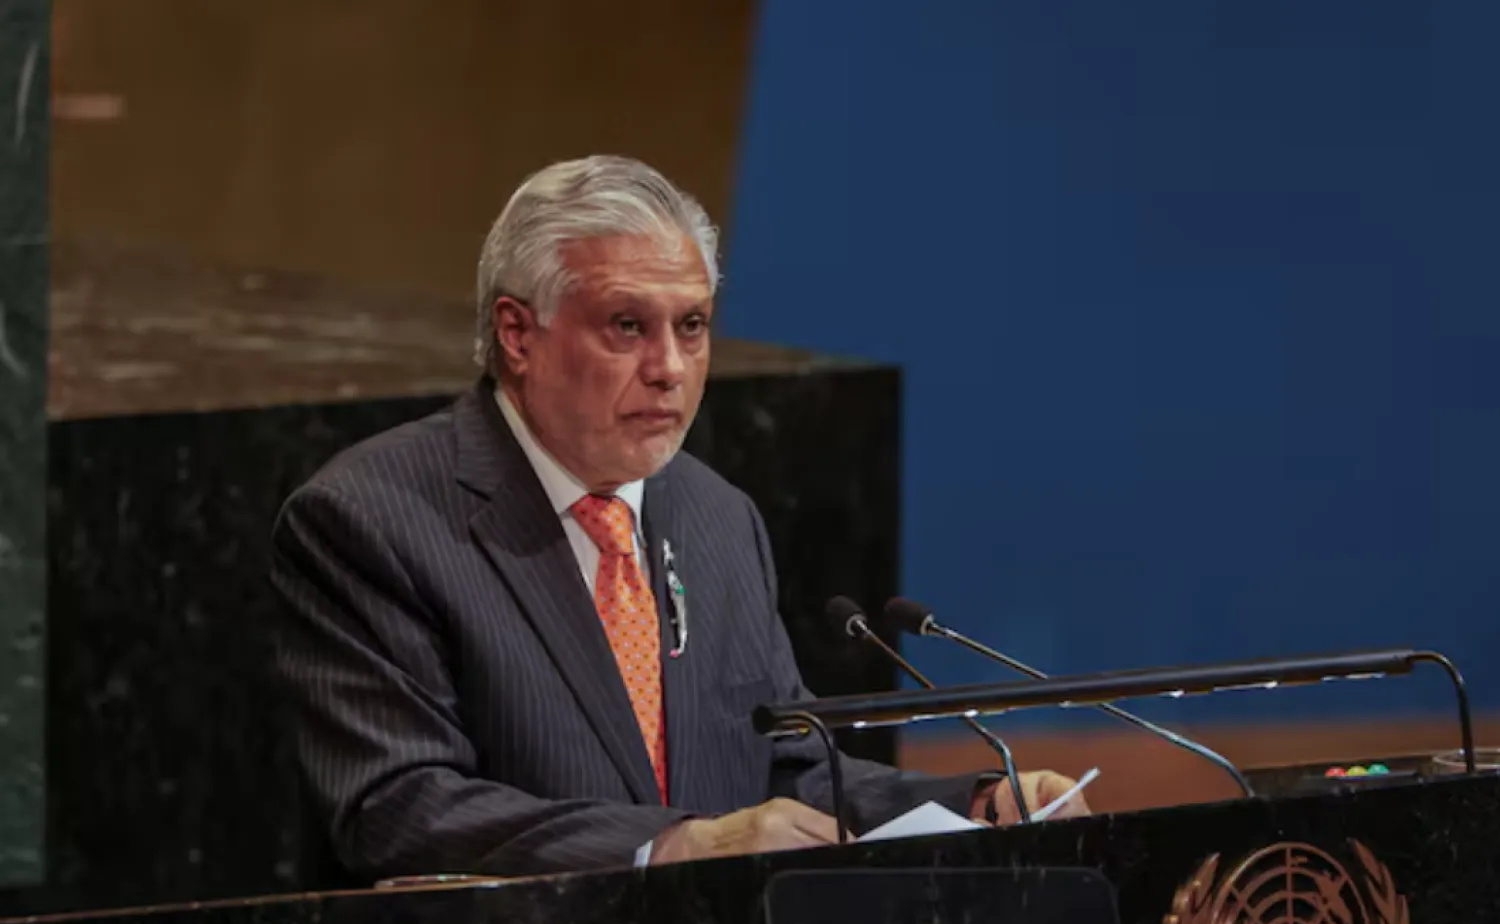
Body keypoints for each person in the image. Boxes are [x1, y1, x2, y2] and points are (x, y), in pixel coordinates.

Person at [270, 154, 1088, 880]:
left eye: (691, 327)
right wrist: (673, 844)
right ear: (518, 333)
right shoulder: (372, 518)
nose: (669, 368)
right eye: (627, 326)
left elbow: (785, 768)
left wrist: (972, 804)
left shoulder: (715, 515)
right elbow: (398, 807)